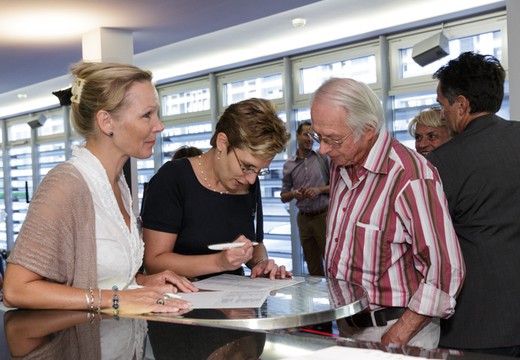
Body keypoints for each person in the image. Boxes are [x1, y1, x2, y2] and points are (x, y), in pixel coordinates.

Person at [3, 61, 197, 315]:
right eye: (147, 115)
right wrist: (115, 299)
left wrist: (141, 282)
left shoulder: (118, 184)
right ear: (106, 122)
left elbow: (104, 278)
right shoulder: (66, 184)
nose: (159, 126)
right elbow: (16, 289)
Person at [310, 77, 465, 348]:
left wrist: (396, 337)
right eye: (318, 137)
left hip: (396, 331)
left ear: (368, 130)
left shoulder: (412, 177)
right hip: (348, 324)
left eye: (332, 139)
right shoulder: (340, 162)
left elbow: (445, 270)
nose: (323, 149)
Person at [428, 52, 520, 357]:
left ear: (462, 104)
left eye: (442, 105)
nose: (442, 115)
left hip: (476, 326)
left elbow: (433, 246)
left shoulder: (441, 162)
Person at [142, 98, 291, 280]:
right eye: (247, 166)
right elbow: (154, 262)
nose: (251, 179)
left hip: (235, 301)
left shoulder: (247, 181)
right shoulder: (173, 179)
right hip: (182, 299)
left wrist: (261, 264)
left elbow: (254, 244)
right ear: (222, 142)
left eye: (260, 171)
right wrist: (219, 262)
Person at [281, 121, 329, 276]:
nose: (309, 138)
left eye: (312, 135)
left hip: (324, 216)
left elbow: (337, 186)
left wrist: (318, 190)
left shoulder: (323, 158)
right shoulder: (289, 165)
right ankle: (317, 299)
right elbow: (283, 197)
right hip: (303, 220)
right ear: (297, 136)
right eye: (306, 134)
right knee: (313, 266)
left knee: (331, 262)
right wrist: (294, 194)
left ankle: (335, 298)